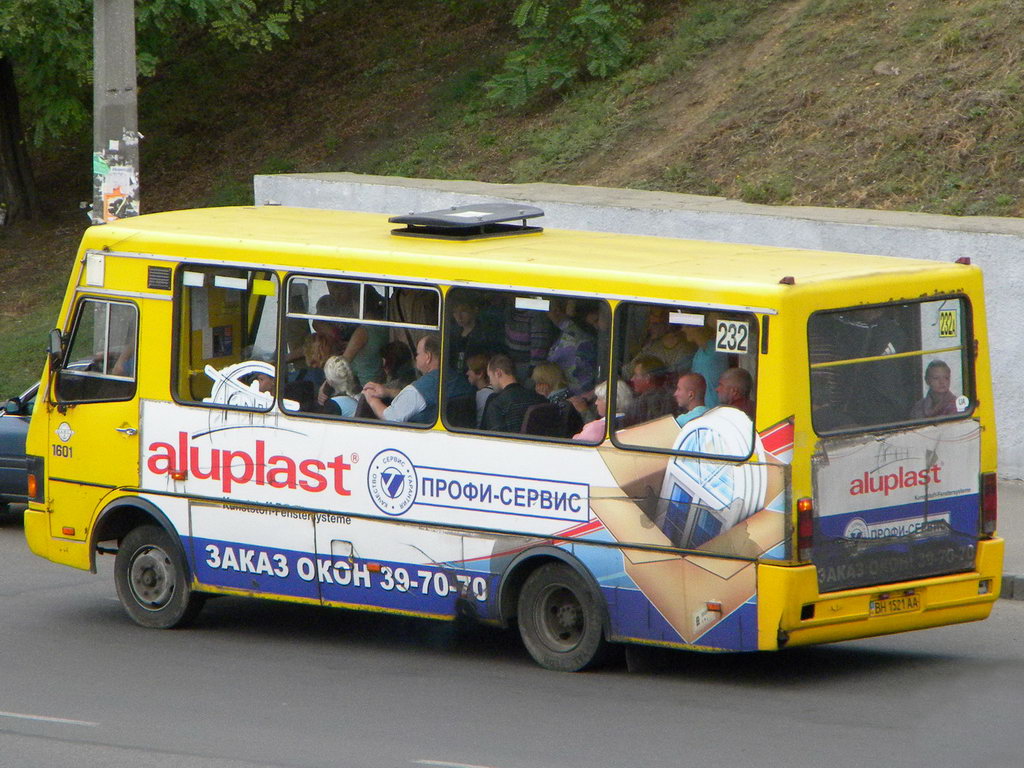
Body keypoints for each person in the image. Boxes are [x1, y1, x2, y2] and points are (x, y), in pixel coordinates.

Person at [362, 334, 443, 423]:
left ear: (428, 357)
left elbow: (392, 418)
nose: (416, 358)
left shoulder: (418, 390)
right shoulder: (455, 379)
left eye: (418, 354)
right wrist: (388, 392)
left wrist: (372, 399)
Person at [480, 354, 546, 433]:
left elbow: (495, 439)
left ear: (498, 373)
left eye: (490, 376)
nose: (490, 382)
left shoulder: (497, 404)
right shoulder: (539, 398)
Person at [623, 354, 676, 427]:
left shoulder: (639, 405)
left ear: (647, 378)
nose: (632, 379)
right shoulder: (674, 398)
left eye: (636, 375)